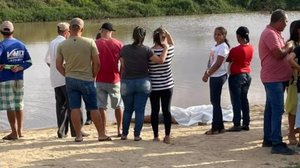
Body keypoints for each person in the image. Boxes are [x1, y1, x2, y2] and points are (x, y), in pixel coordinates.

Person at [56, 17, 110, 142]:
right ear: (82, 29)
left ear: (69, 29)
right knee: (93, 107)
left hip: (70, 79)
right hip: (87, 78)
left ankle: (78, 136)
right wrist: (93, 76)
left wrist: (66, 74)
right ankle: (101, 134)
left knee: (74, 107)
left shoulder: (62, 44)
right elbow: (97, 63)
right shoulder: (90, 42)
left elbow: (58, 65)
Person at [120, 26, 169, 141]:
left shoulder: (124, 49)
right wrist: (166, 48)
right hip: (143, 82)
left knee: (127, 110)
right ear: (144, 37)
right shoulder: (147, 50)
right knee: (139, 110)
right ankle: (137, 135)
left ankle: (124, 134)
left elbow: (123, 65)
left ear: (133, 36)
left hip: (127, 81)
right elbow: (161, 61)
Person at [258, 9, 295, 155]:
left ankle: (268, 139)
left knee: (271, 110)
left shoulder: (275, 33)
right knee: (278, 110)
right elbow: (278, 54)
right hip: (273, 79)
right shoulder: (270, 34)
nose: (286, 24)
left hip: (275, 78)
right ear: (279, 21)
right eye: (285, 21)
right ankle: (277, 142)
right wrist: (290, 46)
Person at [0, 21, 32, 140]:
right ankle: (20, 130)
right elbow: (29, 62)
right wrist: (19, 67)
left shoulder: (2, 45)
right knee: (19, 105)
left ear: (1, 32)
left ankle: (13, 132)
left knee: (10, 106)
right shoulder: (21, 44)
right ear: (13, 31)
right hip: (19, 79)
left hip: (5, 79)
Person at [45, 22, 75, 138]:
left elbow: (47, 60)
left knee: (60, 105)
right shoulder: (65, 43)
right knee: (73, 104)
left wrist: (54, 68)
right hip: (65, 78)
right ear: (67, 31)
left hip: (55, 79)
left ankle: (62, 131)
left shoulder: (52, 42)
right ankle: (75, 130)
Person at [95, 22, 123, 137]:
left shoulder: (95, 43)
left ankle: (104, 129)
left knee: (101, 106)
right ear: (111, 32)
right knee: (118, 105)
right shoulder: (119, 44)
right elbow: (123, 63)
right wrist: (120, 75)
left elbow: (93, 62)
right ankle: (119, 129)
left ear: (102, 31)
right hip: (114, 79)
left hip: (100, 79)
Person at [149, 27, 175, 144]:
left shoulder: (149, 52)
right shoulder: (169, 49)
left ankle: (155, 136)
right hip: (167, 85)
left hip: (154, 86)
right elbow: (172, 43)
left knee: (154, 110)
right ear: (164, 38)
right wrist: (167, 34)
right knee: (166, 110)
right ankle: (167, 135)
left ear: (153, 39)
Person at [202, 26, 229, 135]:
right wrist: (206, 72)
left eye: (219, 34)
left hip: (218, 76)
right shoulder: (216, 46)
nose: (217, 36)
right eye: (215, 34)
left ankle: (215, 128)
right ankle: (221, 127)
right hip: (214, 75)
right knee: (215, 102)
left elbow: (218, 64)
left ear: (224, 36)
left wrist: (208, 74)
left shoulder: (223, 47)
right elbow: (211, 61)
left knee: (215, 102)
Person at [226, 26, 254, 132]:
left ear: (238, 36)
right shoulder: (251, 47)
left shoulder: (235, 50)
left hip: (237, 76)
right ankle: (246, 123)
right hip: (247, 75)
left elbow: (228, 59)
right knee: (244, 99)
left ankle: (237, 124)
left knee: (236, 100)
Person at [285, 20, 300, 145]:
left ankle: (295, 131)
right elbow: (287, 60)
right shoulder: (291, 44)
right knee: (293, 107)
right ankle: (291, 132)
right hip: (293, 80)